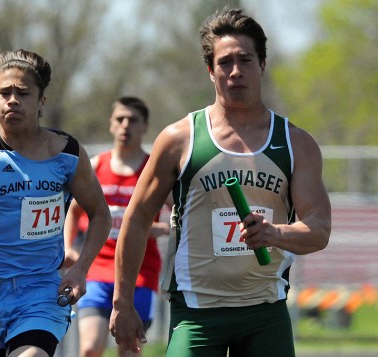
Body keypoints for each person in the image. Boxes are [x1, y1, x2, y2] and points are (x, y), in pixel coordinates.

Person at [109, 8, 331, 357]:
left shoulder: (295, 143)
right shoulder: (179, 139)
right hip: (197, 313)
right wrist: (122, 303)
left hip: (265, 310)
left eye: (246, 59)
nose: (236, 71)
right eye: (225, 62)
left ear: (263, 64)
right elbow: (136, 220)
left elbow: (319, 229)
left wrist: (275, 234)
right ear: (210, 70)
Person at [0, 49, 111, 357]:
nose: (12, 100)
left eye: (23, 93)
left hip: (40, 291)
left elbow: (100, 214)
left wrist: (82, 268)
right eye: (4, 93)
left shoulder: (67, 154)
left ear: (41, 101)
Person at [63, 97, 170, 357]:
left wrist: (161, 229)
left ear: (144, 126)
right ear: (111, 125)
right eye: (119, 119)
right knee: (90, 348)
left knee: (129, 351)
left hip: (139, 272)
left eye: (132, 120)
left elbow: (179, 212)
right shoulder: (97, 165)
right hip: (97, 269)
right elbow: (74, 211)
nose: (125, 125)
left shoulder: (153, 169)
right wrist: (68, 248)